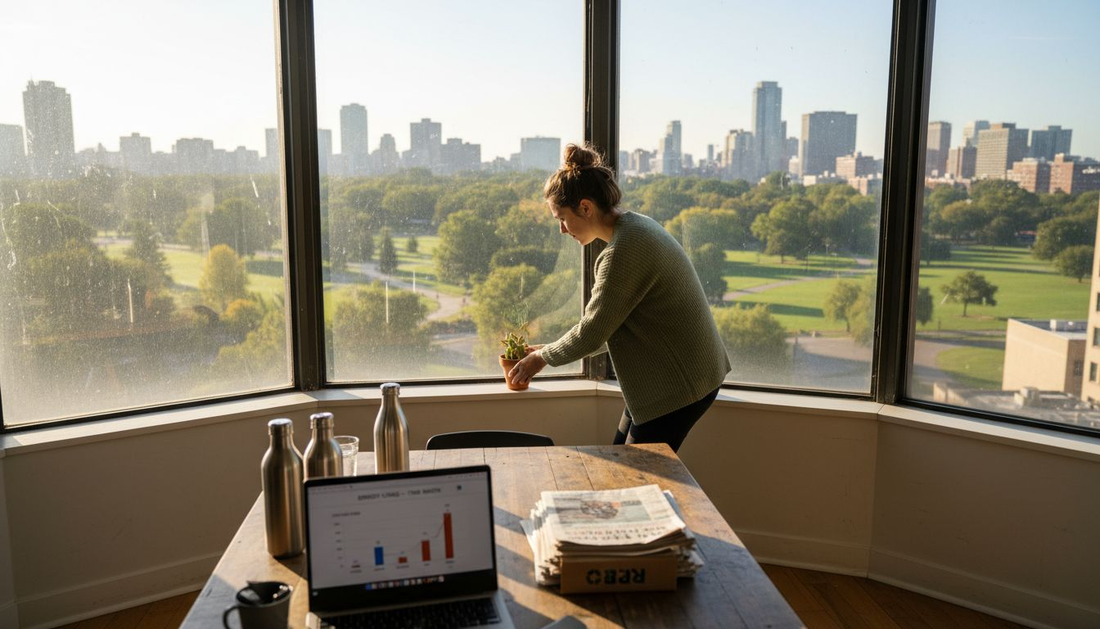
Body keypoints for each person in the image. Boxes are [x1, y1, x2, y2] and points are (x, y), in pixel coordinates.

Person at [508, 143, 731, 452]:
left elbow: (592, 333)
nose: (561, 229)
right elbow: (604, 328)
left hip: (680, 386)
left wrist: (539, 359)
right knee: (621, 461)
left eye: (561, 218)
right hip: (680, 380)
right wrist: (548, 349)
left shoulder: (622, 252)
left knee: (636, 478)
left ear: (585, 207)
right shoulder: (637, 225)